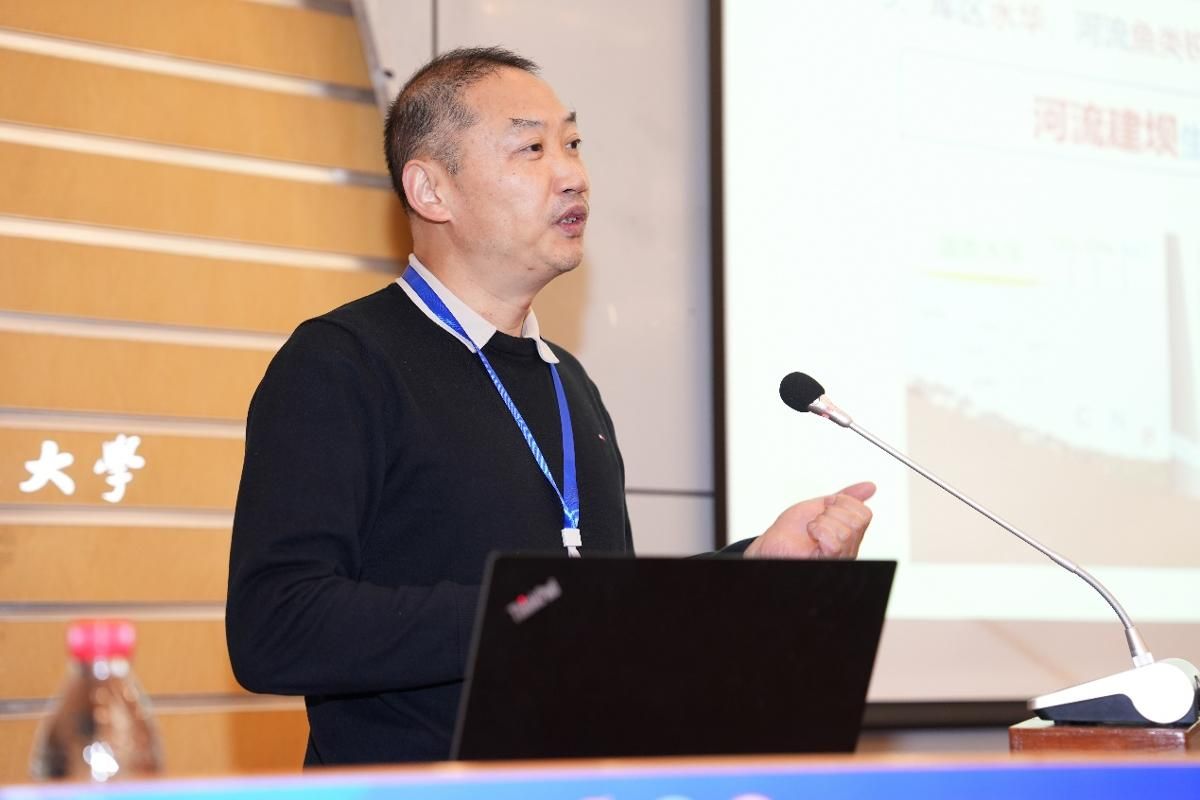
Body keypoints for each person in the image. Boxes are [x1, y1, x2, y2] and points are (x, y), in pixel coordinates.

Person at [225, 46, 875, 767]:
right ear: (431, 190)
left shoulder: (569, 384)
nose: (573, 174)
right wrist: (524, 607)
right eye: (532, 148)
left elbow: (609, 609)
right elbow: (274, 627)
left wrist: (754, 567)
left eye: (573, 143)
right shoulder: (341, 363)